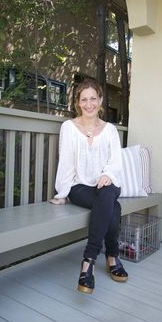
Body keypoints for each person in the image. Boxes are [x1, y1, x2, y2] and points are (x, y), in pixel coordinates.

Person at [50, 78, 128, 294]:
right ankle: (112, 256)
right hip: (81, 187)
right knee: (114, 208)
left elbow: (116, 161)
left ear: (101, 100)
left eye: (93, 98)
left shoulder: (110, 129)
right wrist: (62, 193)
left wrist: (108, 175)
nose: (89, 104)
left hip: (107, 184)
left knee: (108, 194)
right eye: (84, 99)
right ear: (78, 102)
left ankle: (88, 261)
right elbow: (65, 162)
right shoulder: (69, 127)